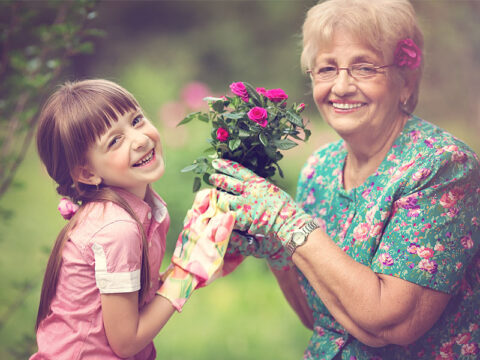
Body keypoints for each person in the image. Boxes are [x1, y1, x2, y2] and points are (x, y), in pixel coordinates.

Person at [210, 0, 480, 359]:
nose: (341, 87)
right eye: (326, 69)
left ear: (406, 81)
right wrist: (275, 248)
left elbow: (390, 324)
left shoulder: (443, 166)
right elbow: (323, 318)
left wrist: (285, 220)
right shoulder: (319, 167)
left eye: (364, 68)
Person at [30, 79, 235, 359]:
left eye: (136, 120)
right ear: (87, 173)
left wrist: (198, 259)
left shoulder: (139, 206)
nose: (139, 139)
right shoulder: (117, 228)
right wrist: (185, 274)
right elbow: (126, 341)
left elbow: (139, 300)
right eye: (115, 141)